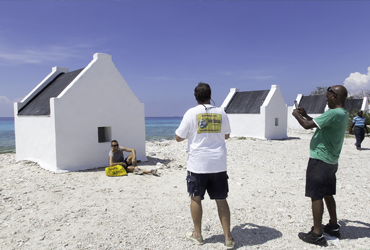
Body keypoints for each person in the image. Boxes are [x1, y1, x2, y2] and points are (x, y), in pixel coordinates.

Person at [175, 82, 235, 249]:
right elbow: (227, 135)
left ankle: (198, 235)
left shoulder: (191, 113)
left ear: (196, 97)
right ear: (210, 95)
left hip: (198, 165)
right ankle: (228, 237)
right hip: (218, 164)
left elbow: (178, 137)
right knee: (221, 199)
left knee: (195, 198)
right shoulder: (221, 112)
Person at [292, 85, 349, 246]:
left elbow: (307, 125)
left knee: (316, 195)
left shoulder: (333, 113)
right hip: (331, 160)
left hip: (320, 160)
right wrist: (306, 115)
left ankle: (317, 234)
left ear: (335, 97)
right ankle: (333, 226)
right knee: (327, 193)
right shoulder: (343, 113)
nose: (326, 99)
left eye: (328, 96)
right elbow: (318, 123)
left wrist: (297, 115)